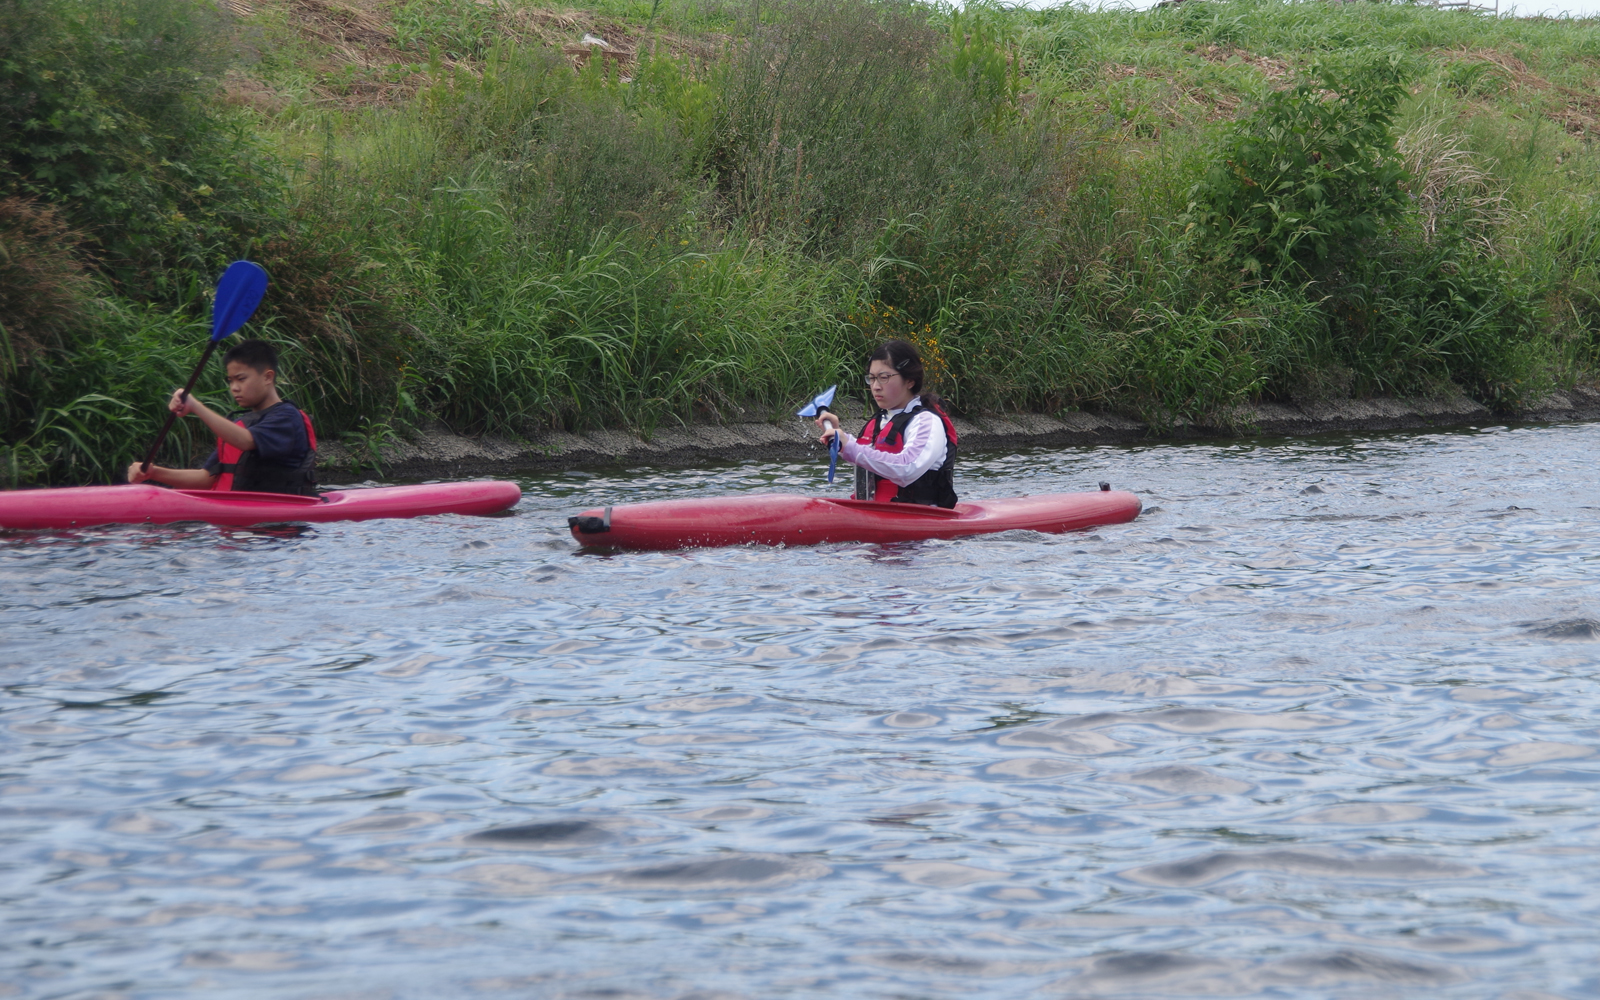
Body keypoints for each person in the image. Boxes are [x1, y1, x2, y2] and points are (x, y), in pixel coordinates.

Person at [125, 339, 319, 495]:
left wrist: (195, 406)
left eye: (241, 379)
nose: (234, 388)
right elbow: (206, 478)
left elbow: (245, 441)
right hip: (242, 521)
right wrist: (153, 472)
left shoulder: (286, 417)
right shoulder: (242, 423)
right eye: (230, 380)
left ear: (268, 377)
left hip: (280, 522)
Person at [815, 338, 959, 508]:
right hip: (877, 511)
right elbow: (867, 457)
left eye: (883, 378)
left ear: (910, 381)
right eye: (871, 378)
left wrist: (850, 446)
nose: (875, 386)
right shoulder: (881, 420)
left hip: (920, 517)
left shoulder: (927, 421)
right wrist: (840, 438)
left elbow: (907, 468)